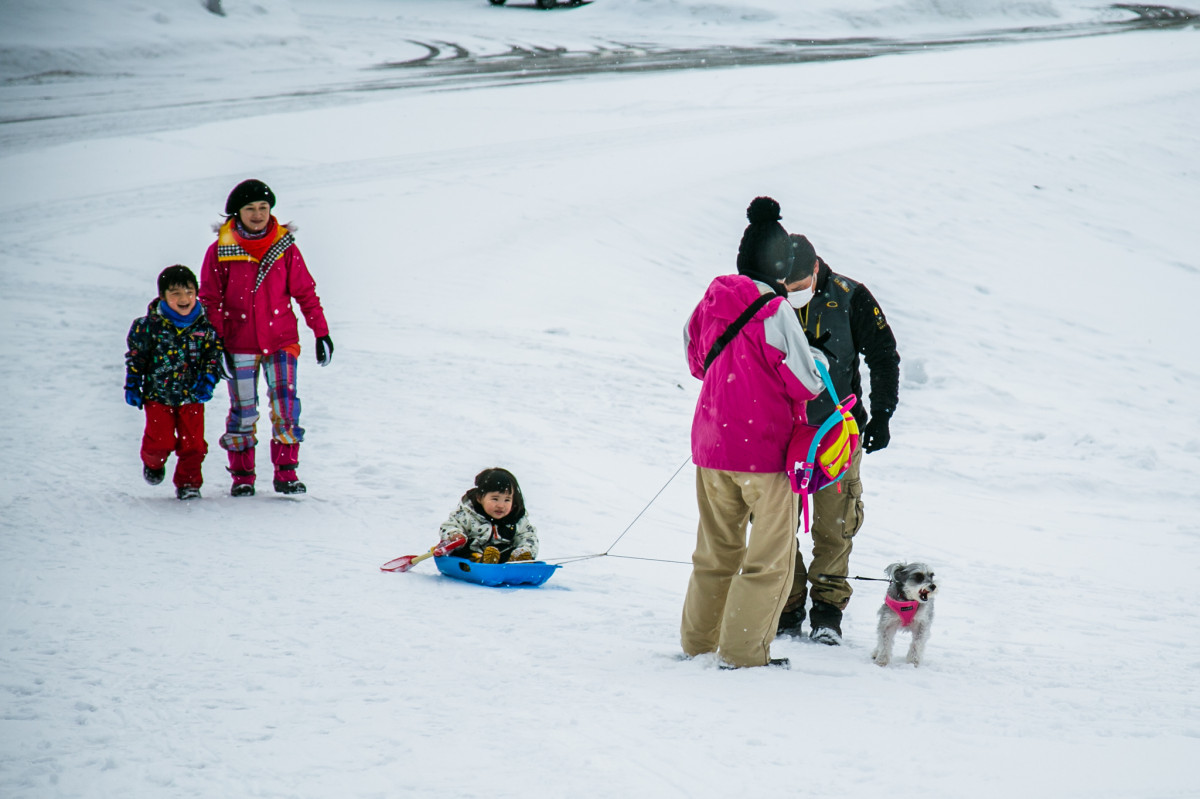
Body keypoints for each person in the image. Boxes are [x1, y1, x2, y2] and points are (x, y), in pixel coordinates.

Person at [679, 197, 828, 669]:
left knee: (715, 551)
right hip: (764, 453)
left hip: (710, 448)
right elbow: (805, 382)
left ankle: (698, 644)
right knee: (770, 561)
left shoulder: (710, 301)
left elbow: (697, 362)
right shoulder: (776, 311)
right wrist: (818, 364)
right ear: (778, 266)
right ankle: (743, 654)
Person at [778, 233, 901, 645]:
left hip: (836, 430)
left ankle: (828, 612)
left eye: (796, 288)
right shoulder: (766, 296)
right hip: (779, 430)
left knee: (836, 522)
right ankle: (788, 605)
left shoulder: (851, 296)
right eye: (784, 289)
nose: (789, 295)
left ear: (815, 271)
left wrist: (882, 414)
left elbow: (883, 354)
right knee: (777, 522)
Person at [198, 179, 334, 497]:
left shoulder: (284, 247)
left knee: (286, 407)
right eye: (250, 208)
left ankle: (286, 473)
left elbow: (305, 292)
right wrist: (215, 342)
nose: (258, 214)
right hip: (237, 343)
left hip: (281, 339)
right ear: (237, 212)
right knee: (244, 409)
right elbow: (210, 300)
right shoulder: (221, 249)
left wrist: (321, 332)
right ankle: (242, 475)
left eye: (263, 208)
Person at [124, 265, 224, 500]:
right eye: (175, 293)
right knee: (160, 441)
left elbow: (213, 357)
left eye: (189, 292)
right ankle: (153, 463)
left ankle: (189, 483)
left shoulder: (205, 328)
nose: (183, 299)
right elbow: (137, 356)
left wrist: (208, 380)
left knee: (195, 445)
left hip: (192, 396)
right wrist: (132, 383)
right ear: (163, 296)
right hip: (158, 395)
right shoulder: (147, 326)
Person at [439, 468, 539, 563]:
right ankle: (481, 561)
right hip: (472, 554)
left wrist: (526, 549)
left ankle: (517, 561)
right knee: (467, 553)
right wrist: (455, 535)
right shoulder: (467, 514)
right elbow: (450, 526)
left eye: (507, 500)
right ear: (479, 498)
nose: (501, 505)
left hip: (501, 556)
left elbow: (528, 536)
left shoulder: (516, 519)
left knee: (510, 551)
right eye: (495, 499)